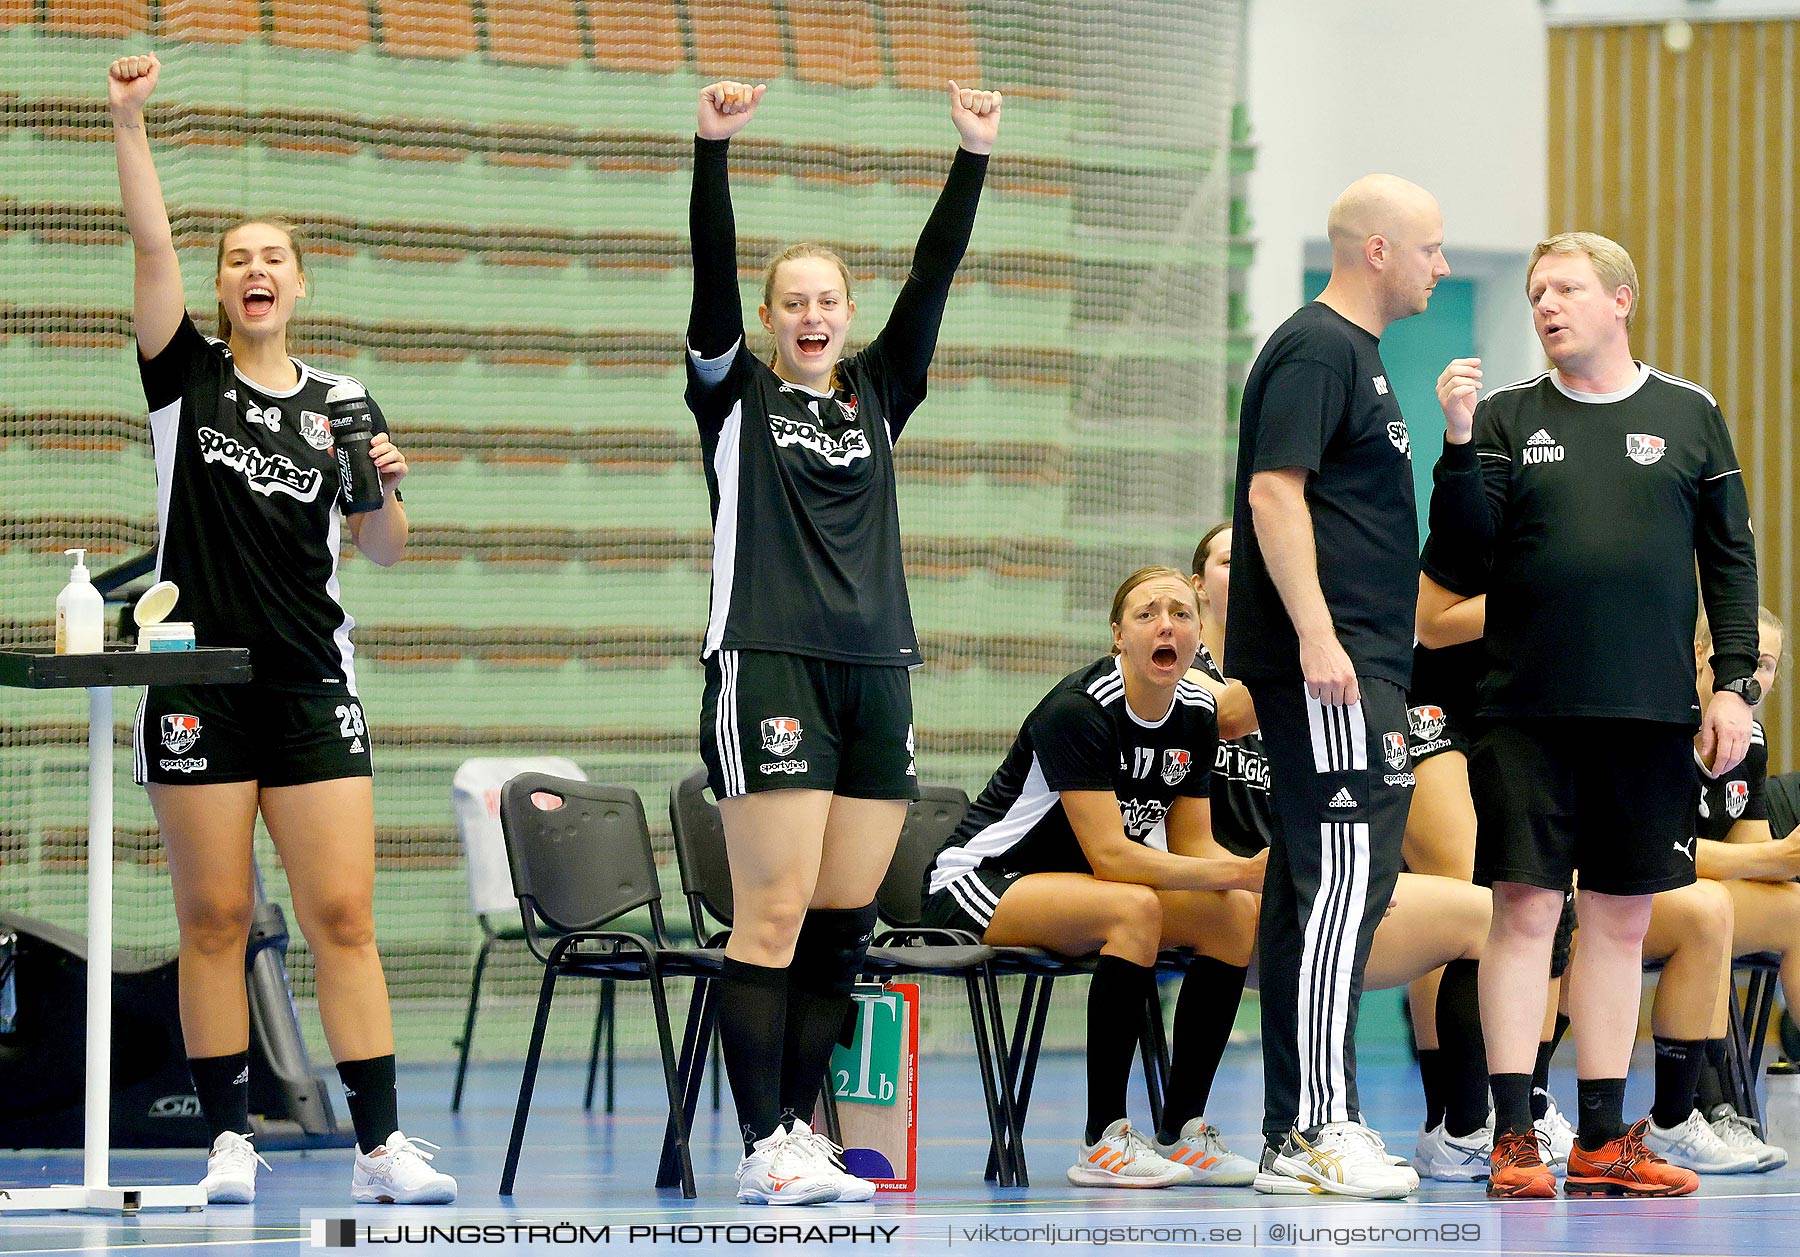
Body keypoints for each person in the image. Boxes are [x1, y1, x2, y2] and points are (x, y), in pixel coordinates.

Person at [108, 54, 453, 1205]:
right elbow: (151, 248)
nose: (254, 271)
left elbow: (388, 550)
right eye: (236, 260)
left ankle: (381, 1146)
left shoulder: (344, 400)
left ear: (299, 284)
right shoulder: (184, 380)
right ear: (219, 287)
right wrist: (129, 120)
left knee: (341, 916)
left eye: (273, 260)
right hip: (198, 681)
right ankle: (226, 1144)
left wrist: (388, 490)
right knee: (214, 916)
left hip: (312, 679)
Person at [685, 78, 1001, 1205]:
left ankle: (801, 1131)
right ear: (769, 320)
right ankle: (764, 1140)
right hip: (768, 662)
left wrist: (971, 157)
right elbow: (708, 275)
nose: (811, 315)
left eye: (827, 300)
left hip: (879, 670)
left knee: (840, 916)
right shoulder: (732, 399)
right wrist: (711, 149)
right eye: (792, 302)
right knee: (770, 912)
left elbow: (935, 280)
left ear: (845, 313)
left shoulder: (877, 393)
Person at [1432, 230, 1760, 1198]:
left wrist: (1732, 685)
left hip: (1650, 715)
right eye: (1536, 292)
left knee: (1620, 924)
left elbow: (1731, 564)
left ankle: (1607, 1141)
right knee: (1527, 912)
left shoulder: (1690, 415)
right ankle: (1513, 1137)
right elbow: (1461, 553)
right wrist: (1456, 443)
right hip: (1525, 712)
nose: (1546, 304)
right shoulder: (1502, 416)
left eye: (1566, 288)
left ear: (1622, 299)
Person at [1225, 174, 1454, 1197]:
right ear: (1377, 251)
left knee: (1320, 892)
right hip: (1332, 672)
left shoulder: (1359, 358)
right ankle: (1317, 1127)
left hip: (1360, 665)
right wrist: (1320, 638)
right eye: (1430, 250)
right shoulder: (1319, 347)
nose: (1440, 268)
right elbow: (1274, 492)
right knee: (1341, 890)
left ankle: (1293, 1131)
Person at [922, 567, 1266, 1188]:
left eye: (1182, 614)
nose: (1167, 624)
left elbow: (1193, 848)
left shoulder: (1195, 716)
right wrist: (1244, 869)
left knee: (1233, 916)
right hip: (983, 880)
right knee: (1133, 908)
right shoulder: (1079, 710)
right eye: (1146, 614)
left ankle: (1183, 1129)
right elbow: (1112, 857)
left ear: (1195, 638)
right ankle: (1103, 1138)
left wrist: (1252, 881)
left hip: (1086, 888)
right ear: (1118, 636)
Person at [1189, 526, 1491, 1188]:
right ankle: (1295, 1127)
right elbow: (1228, 715)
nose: (1250, 567)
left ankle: (1462, 1127)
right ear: (1198, 584)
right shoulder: (1188, 685)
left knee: (1490, 912)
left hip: (1312, 890)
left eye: (1259, 554)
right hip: (1226, 911)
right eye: (1229, 558)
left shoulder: (1335, 682)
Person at [1644, 607, 1792, 1173]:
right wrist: (1771, 856)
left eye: (1770, 665)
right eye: (1750, 660)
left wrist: (1783, 860)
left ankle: (1726, 1110)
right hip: (1624, 892)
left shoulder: (1749, 738)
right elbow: (1655, 850)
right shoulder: (1665, 721)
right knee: (1710, 910)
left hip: (1702, 889)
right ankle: (1705, 1106)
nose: (1758, 675)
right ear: (1706, 656)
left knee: (1797, 911)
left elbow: (1748, 853)